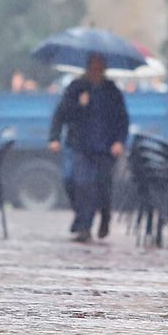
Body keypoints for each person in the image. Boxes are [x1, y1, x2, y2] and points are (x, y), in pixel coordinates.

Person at [48, 53, 129, 242]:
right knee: (78, 183)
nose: (96, 69)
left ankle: (104, 216)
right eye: (93, 65)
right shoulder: (77, 87)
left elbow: (122, 119)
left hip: (105, 147)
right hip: (80, 145)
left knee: (103, 187)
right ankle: (84, 225)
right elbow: (61, 114)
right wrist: (79, 106)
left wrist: (119, 141)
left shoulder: (112, 90)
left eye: (100, 66)